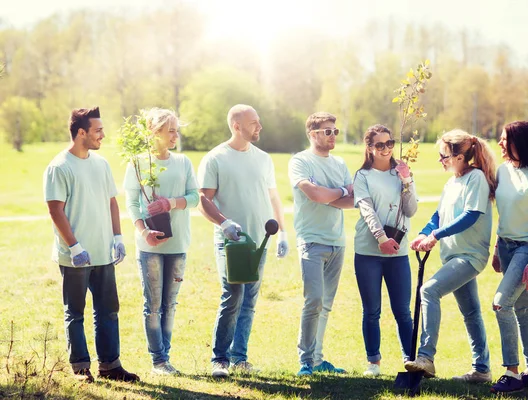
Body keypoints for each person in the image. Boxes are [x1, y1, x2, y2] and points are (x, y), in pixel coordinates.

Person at [43, 107, 139, 383]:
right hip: (75, 256)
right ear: (81, 132)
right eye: (98, 130)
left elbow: (112, 201)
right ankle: (80, 368)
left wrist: (118, 237)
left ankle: (110, 365)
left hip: (103, 253)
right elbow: (55, 211)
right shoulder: (59, 167)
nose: (103, 135)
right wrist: (74, 247)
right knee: (75, 312)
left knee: (108, 310)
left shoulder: (101, 164)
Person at [197, 104, 289, 378]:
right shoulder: (215, 158)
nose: (259, 126)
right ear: (236, 126)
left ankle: (239, 358)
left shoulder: (263, 158)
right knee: (233, 296)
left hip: (261, 241)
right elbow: (203, 200)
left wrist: (283, 232)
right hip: (232, 242)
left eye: (258, 121)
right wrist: (224, 223)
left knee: (249, 299)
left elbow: (273, 197)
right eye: (253, 123)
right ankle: (220, 359)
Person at [405, 129, 496, 383]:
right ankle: (482, 370)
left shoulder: (476, 178)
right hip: (453, 255)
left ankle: (426, 357)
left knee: (429, 291)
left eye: (443, 155)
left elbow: (471, 215)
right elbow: (438, 215)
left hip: (469, 256)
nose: (441, 160)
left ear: (458, 156)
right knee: (471, 313)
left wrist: (436, 236)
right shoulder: (452, 181)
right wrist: (424, 233)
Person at [123, 108, 199, 375]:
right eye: (170, 131)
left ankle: (164, 357)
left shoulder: (183, 163)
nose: (175, 135)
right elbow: (131, 203)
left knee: (170, 303)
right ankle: (158, 361)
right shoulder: (137, 162)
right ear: (154, 133)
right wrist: (144, 232)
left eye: (177, 130)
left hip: (178, 245)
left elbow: (194, 198)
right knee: (153, 304)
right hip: (149, 246)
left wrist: (171, 203)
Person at [288, 111, 355, 376]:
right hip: (311, 240)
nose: (333, 136)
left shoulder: (339, 164)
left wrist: (329, 195)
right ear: (312, 134)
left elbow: (353, 200)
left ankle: (317, 359)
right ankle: (305, 360)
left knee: (325, 304)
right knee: (313, 300)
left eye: (335, 131)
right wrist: (335, 193)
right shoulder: (300, 161)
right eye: (328, 131)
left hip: (337, 241)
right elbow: (313, 194)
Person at [489, 121, 528, 393]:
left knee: (501, 304)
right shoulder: (503, 171)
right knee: (522, 308)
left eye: (505, 139)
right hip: (505, 246)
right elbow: (503, 215)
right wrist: (496, 249)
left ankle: (512, 373)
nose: (500, 143)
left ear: (519, 142)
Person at [353, 124, 418, 376]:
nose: (386, 149)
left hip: (398, 254)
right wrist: (380, 237)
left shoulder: (401, 172)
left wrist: (407, 180)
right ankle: (373, 363)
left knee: (403, 310)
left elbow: (410, 210)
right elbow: (367, 209)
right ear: (369, 148)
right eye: (379, 145)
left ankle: (411, 361)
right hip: (369, 252)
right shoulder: (362, 176)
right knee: (371, 311)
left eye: (389, 143)